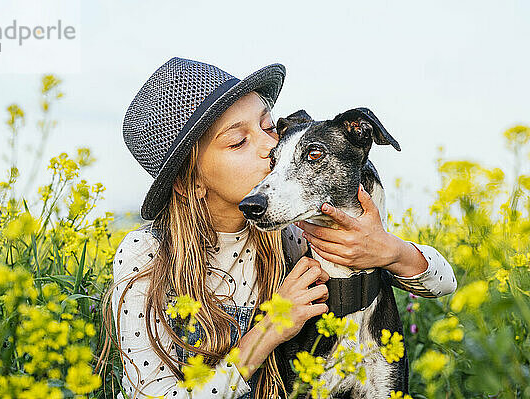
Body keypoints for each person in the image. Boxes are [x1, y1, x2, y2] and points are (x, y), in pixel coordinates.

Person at [97, 57, 457, 399]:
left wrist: (390, 250)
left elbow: (442, 282)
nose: (272, 147)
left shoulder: (293, 233)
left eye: (270, 127)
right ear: (191, 181)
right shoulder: (145, 255)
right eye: (239, 141)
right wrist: (269, 330)